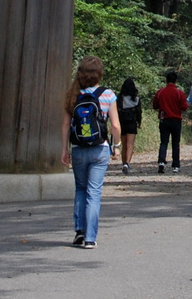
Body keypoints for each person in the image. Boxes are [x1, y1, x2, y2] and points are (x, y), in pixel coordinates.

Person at [61, 55, 121, 249]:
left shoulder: (73, 95)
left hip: (79, 148)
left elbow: (65, 125)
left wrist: (64, 149)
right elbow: (115, 125)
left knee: (80, 189)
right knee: (93, 193)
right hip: (100, 148)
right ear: (99, 74)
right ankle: (90, 238)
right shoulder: (108, 95)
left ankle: (79, 231)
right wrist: (116, 146)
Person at [153, 70, 188, 174]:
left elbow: (155, 105)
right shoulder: (179, 93)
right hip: (176, 120)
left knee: (164, 142)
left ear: (166, 80)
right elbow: (184, 107)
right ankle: (176, 165)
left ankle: (161, 162)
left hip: (164, 120)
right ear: (176, 81)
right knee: (175, 143)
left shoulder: (160, 92)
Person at [117, 77, 142, 174]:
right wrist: (139, 122)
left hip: (122, 122)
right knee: (130, 144)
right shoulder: (136, 99)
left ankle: (124, 163)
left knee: (124, 145)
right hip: (132, 122)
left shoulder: (119, 98)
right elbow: (139, 112)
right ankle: (127, 163)